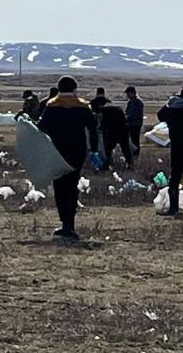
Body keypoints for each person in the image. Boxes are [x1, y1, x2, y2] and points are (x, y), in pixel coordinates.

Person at [38, 76, 98, 242]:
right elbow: (93, 129)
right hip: (78, 150)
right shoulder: (83, 106)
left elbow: (41, 128)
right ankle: (70, 224)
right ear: (74, 89)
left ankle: (64, 223)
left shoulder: (51, 106)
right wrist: (94, 150)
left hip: (57, 151)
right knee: (72, 184)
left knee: (59, 186)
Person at [158, 83, 183, 217]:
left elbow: (160, 115)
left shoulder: (174, 105)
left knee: (175, 176)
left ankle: (173, 208)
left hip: (177, 145)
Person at [96, 100, 133, 170]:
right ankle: (130, 163)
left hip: (113, 132)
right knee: (125, 148)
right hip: (123, 130)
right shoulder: (118, 109)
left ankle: (107, 164)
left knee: (108, 149)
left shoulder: (105, 111)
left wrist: (100, 129)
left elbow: (104, 124)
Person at [125, 86, 144, 157]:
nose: (127, 95)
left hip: (136, 124)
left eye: (128, 93)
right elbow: (127, 111)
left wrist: (128, 117)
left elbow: (137, 114)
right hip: (130, 123)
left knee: (135, 140)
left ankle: (135, 154)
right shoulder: (130, 102)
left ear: (132, 93)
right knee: (131, 140)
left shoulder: (138, 102)